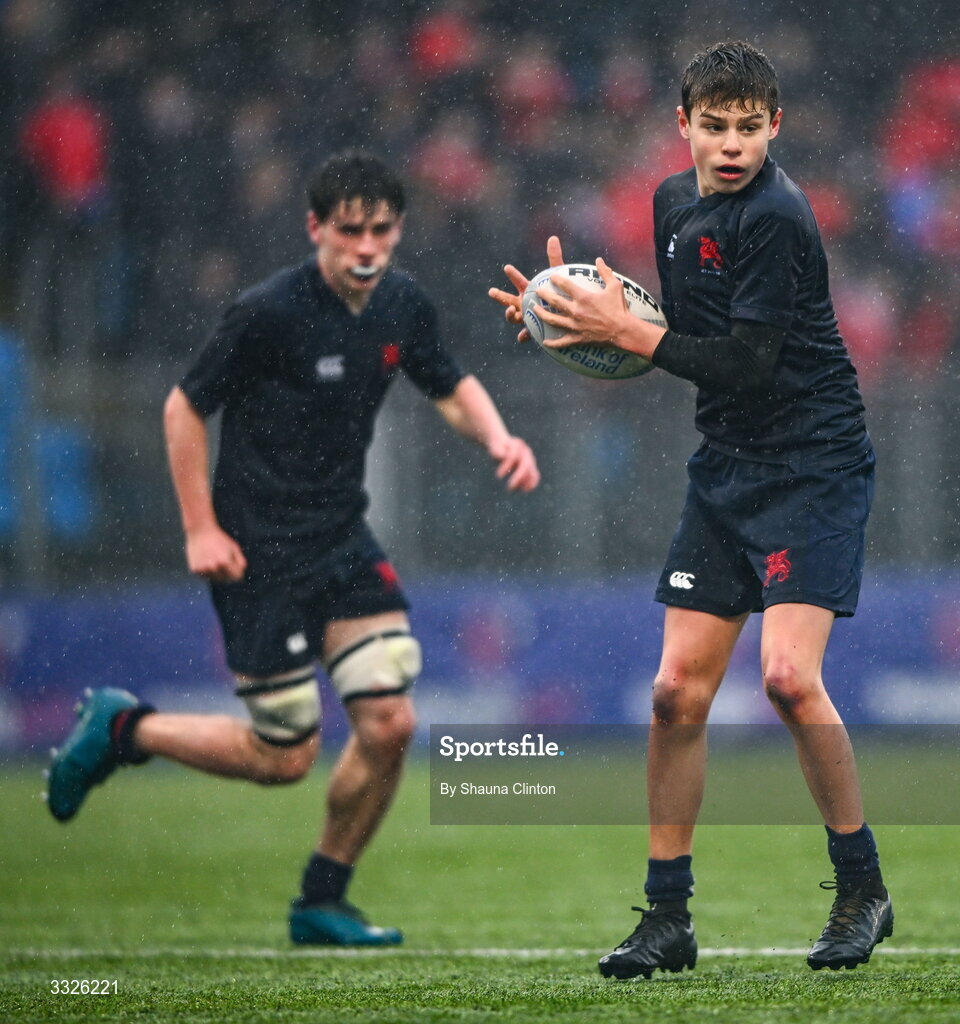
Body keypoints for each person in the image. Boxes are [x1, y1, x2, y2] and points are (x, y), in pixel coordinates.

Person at [47, 149, 540, 946]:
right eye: (350, 231)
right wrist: (200, 527)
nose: (368, 247)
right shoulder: (268, 312)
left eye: (382, 229)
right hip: (256, 551)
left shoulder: (402, 305)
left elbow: (447, 382)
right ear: (316, 228)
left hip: (342, 536)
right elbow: (182, 408)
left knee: (389, 724)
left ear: (398, 229)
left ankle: (323, 899)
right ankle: (123, 731)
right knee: (284, 756)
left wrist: (499, 438)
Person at [489, 40, 891, 977]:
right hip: (728, 469)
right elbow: (672, 345)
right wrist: (566, 324)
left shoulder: (782, 218)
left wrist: (626, 329)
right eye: (714, 126)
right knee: (674, 695)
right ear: (684, 126)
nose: (732, 143)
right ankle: (667, 918)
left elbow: (744, 359)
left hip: (813, 467)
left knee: (789, 679)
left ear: (775, 126)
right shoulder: (672, 204)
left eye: (750, 127)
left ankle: (863, 889)